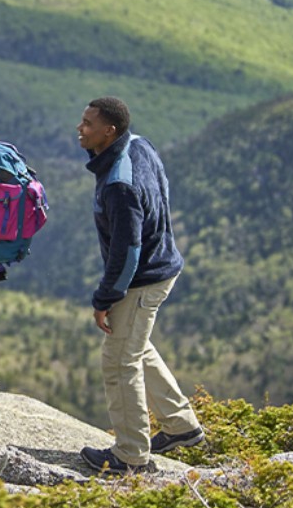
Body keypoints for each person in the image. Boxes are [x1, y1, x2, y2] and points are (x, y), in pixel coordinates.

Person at [74, 96, 204, 475]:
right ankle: (182, 426)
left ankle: (130, 455)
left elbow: (127, 251)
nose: (80, 129)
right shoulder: (138, 145)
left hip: (142, 279)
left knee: (118, 360)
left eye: (87, 123)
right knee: (135, 346)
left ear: (108, 131)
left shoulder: (119, 184)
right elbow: (161, 194)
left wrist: (105, 297)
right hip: (161, 266)